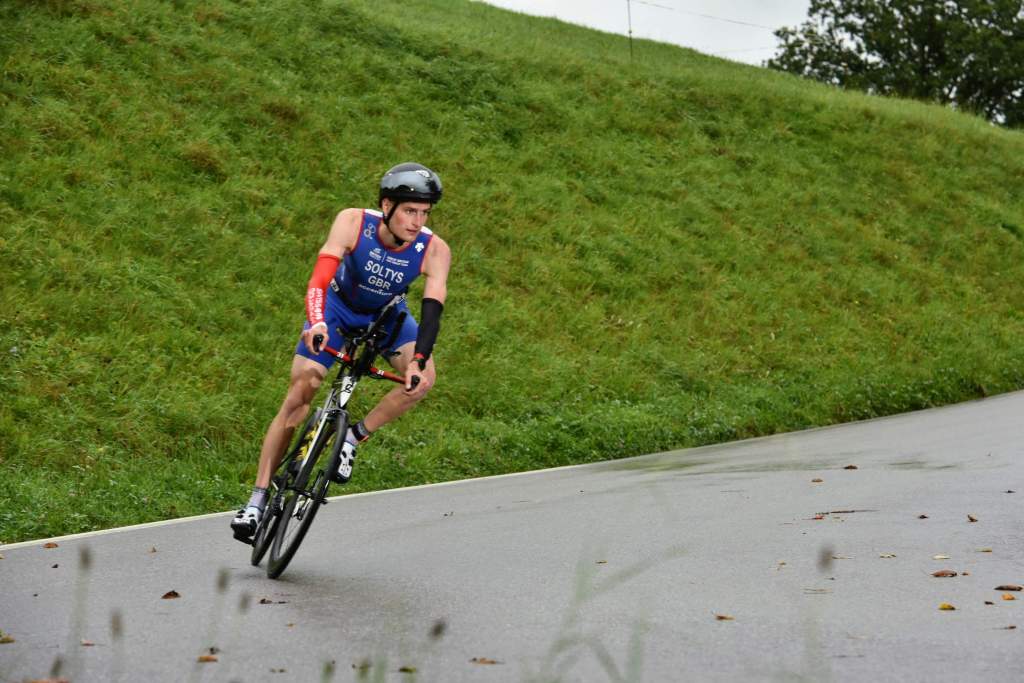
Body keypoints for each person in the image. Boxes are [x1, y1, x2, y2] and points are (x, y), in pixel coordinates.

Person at [231, 162, 451, 541]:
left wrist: (417, 361)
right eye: (410, 211)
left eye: (424, 213)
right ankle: (257, 500)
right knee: (302, 390)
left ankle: (351, 438)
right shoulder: (353, 222)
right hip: (336, 309)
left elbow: (433, 311)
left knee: (424, 379)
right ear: (387, 206)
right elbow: (320, 277)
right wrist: (317, 321)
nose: (417, 222)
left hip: (386, 316)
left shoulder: (434, 249)